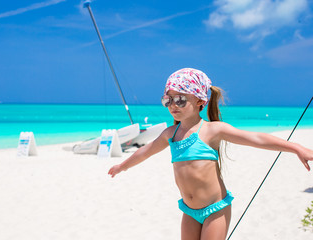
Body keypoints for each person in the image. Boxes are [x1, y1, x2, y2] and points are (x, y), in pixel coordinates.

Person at [108, 68, 313, 240]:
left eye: (180, 100)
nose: (172, 105)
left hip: (215, 210)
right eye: (167, 100)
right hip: (189, 210)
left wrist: (296, 148)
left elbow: (256, 138)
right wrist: (122, 166)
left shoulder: (212, 130)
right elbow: (145, 151)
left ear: (200, 101)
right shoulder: (170, 134)